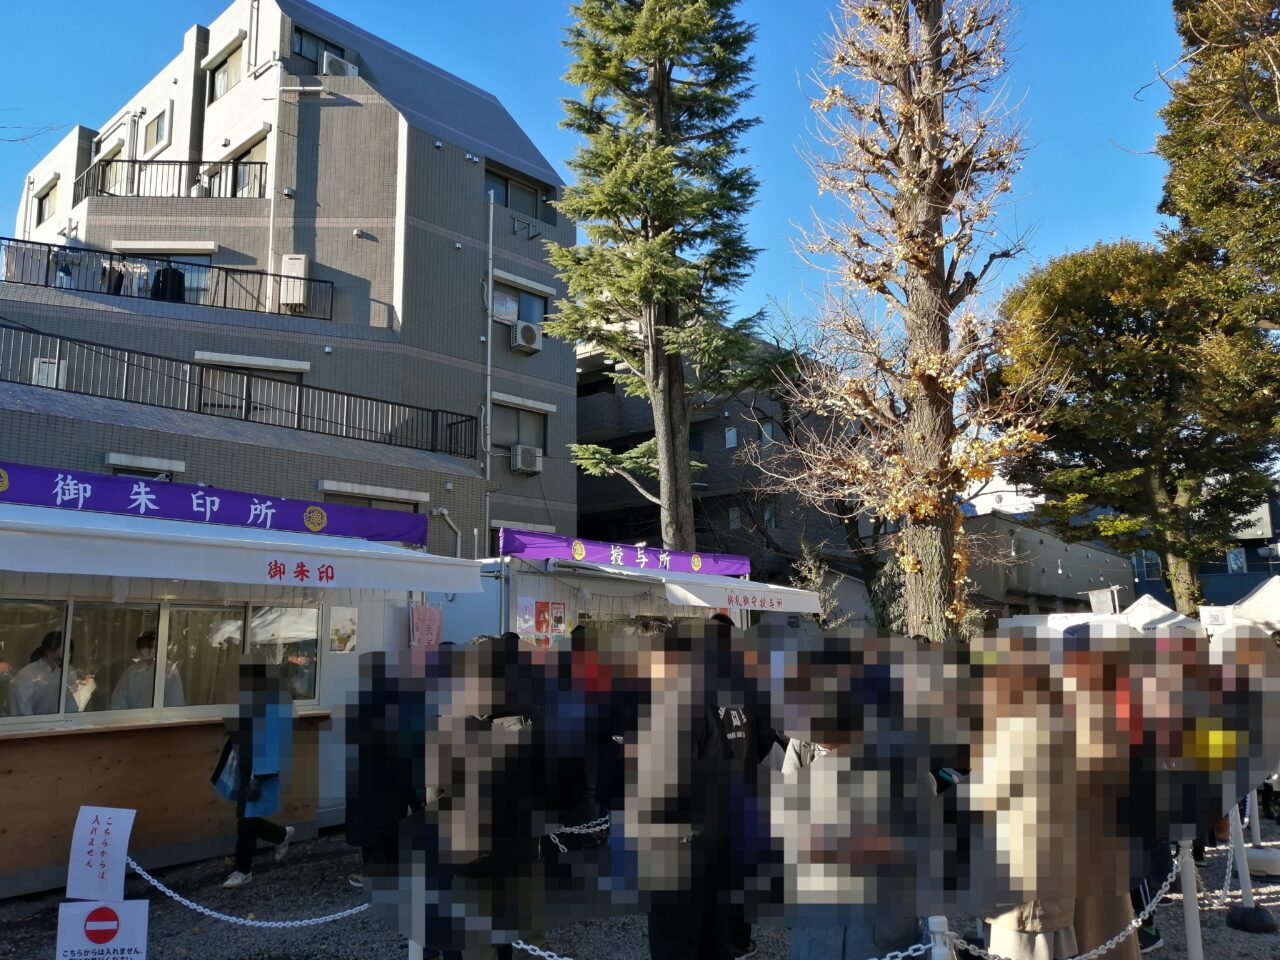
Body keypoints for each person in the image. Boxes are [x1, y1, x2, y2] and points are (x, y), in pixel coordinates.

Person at [212, 662, 295, 888]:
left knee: (246, 820)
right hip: (247, 767)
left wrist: (260, 774)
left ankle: (243, 869)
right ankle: (280, 835)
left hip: (260, 771)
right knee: (246, 817)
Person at [5, 631, 78, 717]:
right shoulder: (27, 674)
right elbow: (21, 710)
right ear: (48, 652)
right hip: (24, 725)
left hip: (54, 725)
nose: (65, 656)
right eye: (60, 653)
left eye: (68, 652)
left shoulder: (66, 672)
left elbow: (70, 705)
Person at [110, 631, 185, 709]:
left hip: (161, 719)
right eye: (143, 646)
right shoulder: (131, 672)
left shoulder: (169, 672)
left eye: (149, 645)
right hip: (132, 719)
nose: (145, 648)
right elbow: (117, 702)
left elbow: (175, 705)